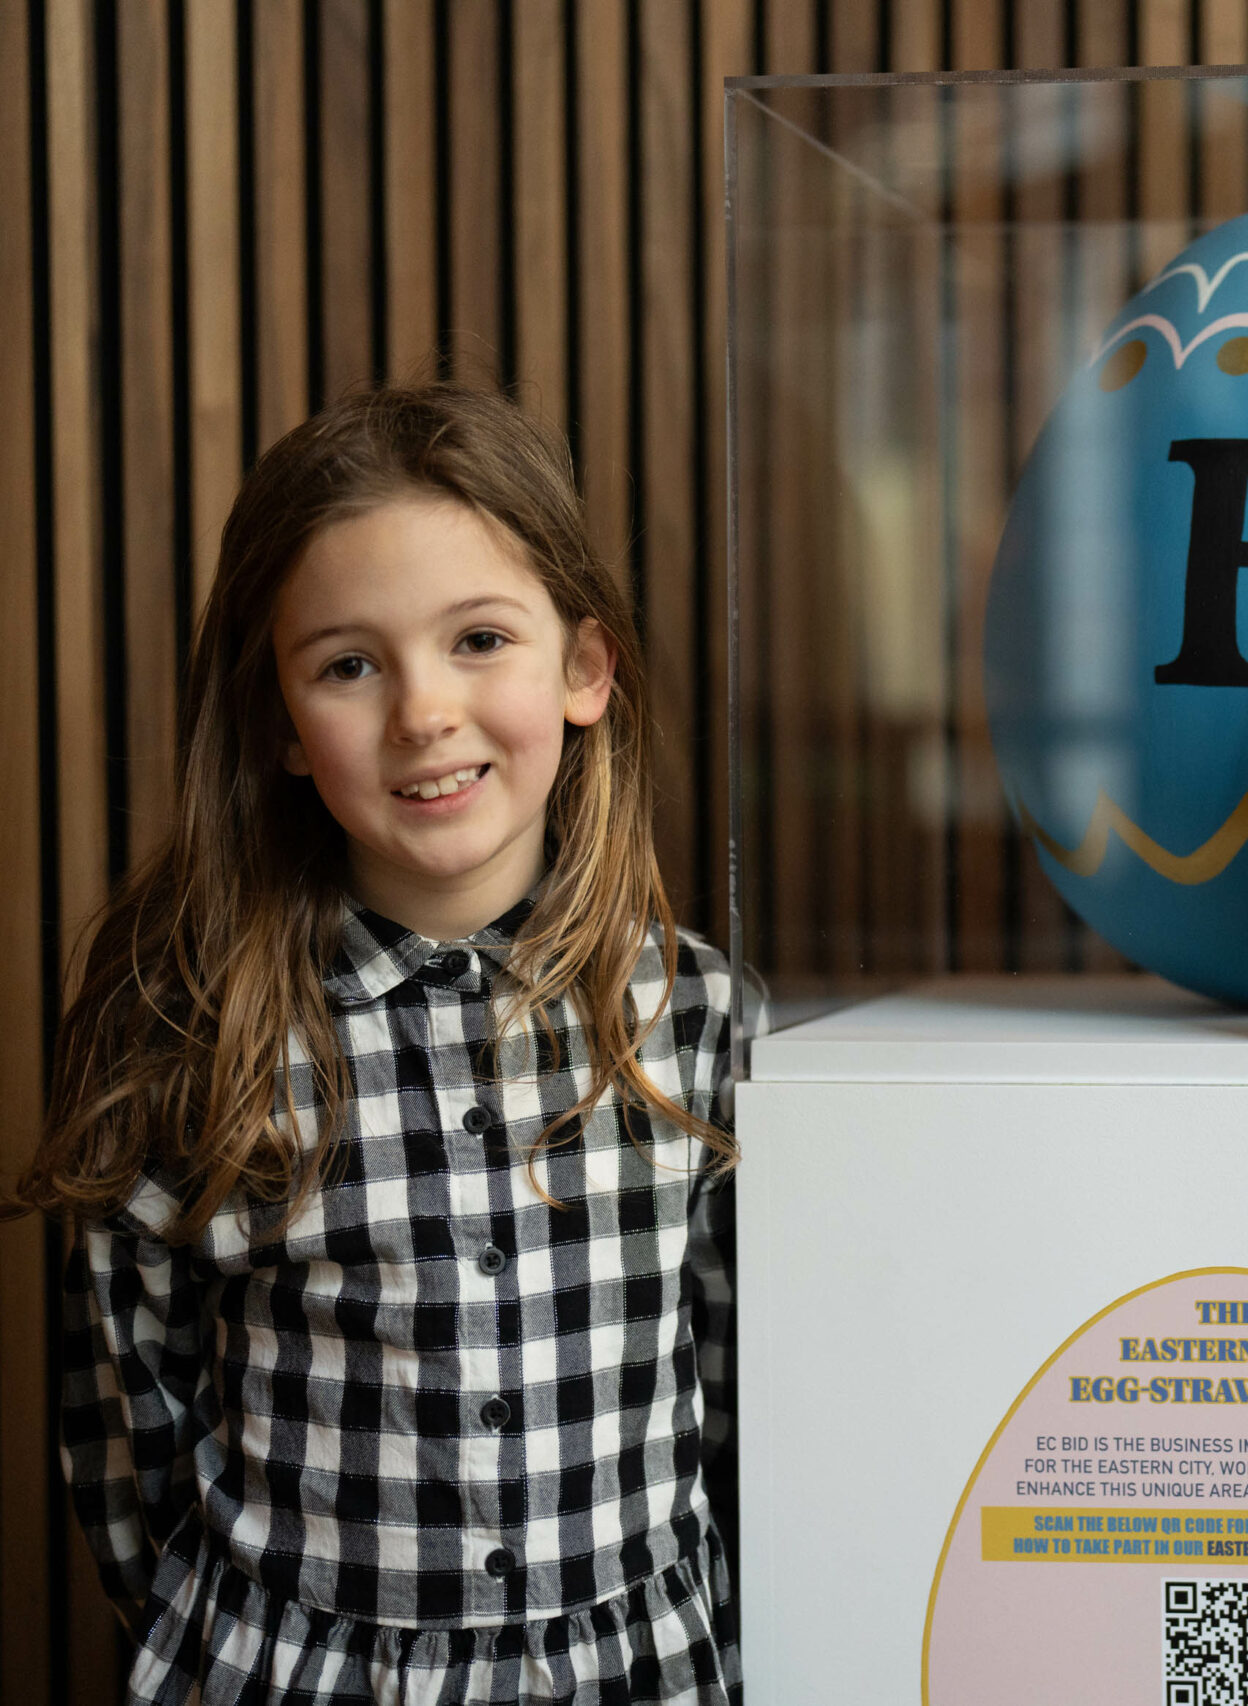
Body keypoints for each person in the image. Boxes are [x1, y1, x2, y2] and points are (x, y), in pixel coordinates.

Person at [18, 386, 741, 1703]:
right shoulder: (193, 1037)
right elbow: (127, 1435)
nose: (422, 712)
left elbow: (738, 1388)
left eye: (478, 639)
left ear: (585, 667)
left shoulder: (699, 1022)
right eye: (350, 663)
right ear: (283, 723)